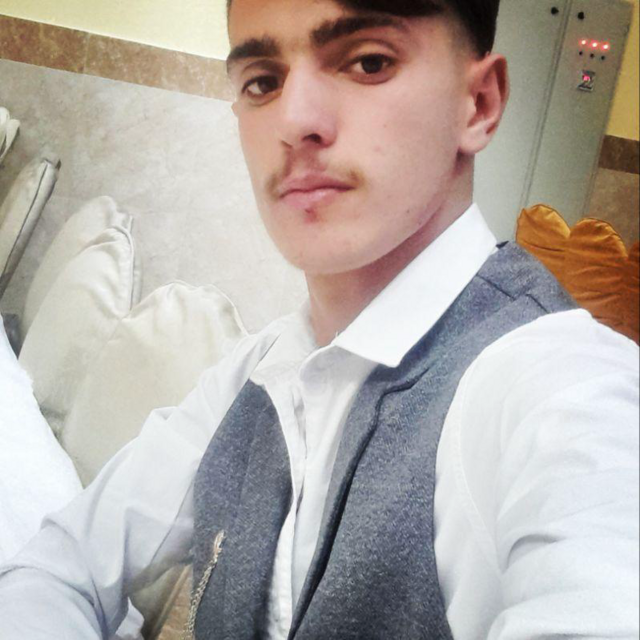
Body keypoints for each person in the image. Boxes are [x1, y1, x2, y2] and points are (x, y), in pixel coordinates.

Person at [0, 0, 638, 638]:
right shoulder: (259, 371)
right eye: (262, 82)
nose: (294, 120)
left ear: (478, 103)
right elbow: (59, 563)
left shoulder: (566, 391)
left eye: (368, 62)